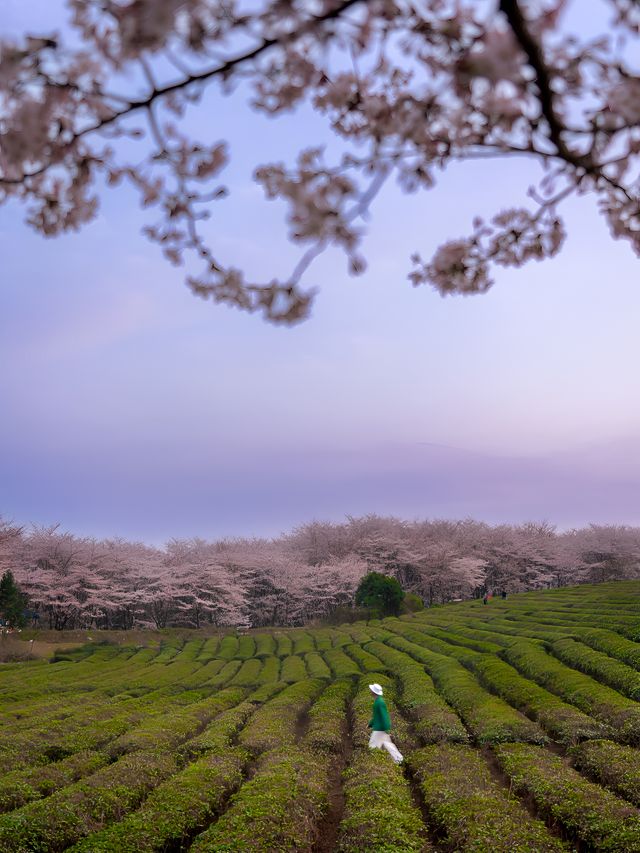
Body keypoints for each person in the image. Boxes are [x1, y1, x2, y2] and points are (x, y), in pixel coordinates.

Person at [367, 683, 403, 764]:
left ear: (373, 692)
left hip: (380, 729)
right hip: (379, 728)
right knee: (387, 745)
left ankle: (373, 764)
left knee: (372, 747)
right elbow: (376, 716)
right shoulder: (377, 701)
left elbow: (384, 715)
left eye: (371, 690)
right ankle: (399, 760)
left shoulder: (380, 702)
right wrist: (370, 724)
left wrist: (386, 728)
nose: (370, 691)